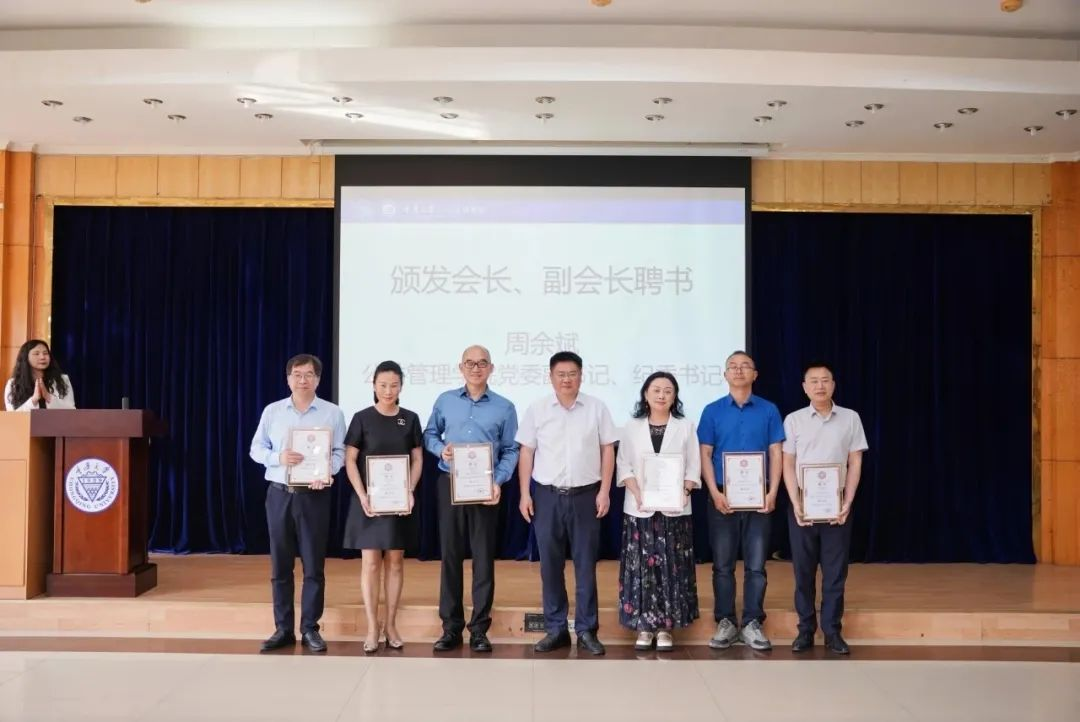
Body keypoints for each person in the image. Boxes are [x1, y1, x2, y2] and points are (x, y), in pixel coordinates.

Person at [517, 351, 617, 656]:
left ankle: (587, 630)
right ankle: (556, 629)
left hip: (586, 496)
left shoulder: (597, 408)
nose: (566, 379)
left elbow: (608, 450)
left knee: (585, 566)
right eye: (560, 374)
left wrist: (605, 491)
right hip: (547, 497)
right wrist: (524, 494)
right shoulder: (537, 409)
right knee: (550, 566)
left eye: (572, 374)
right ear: (550, 377)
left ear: (581, 376)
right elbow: (526, 452)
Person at [423, 345, 519, 653]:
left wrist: (498, 480)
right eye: (470, 363)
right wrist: (441, 450)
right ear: (460, 367)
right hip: (450, 483)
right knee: (450, 556)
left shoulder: (505, 407)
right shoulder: (445, 400)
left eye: (482, 363)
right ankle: (451, 628)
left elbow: (511, 449)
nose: (476, 368)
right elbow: (429, 434)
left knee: (483, 558)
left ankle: (479, 629)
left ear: (491, 368)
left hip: (484, 489)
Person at [249, 354, 346, 654]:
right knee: (280, 565)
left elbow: (340, 452)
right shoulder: (273, 411)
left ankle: (310, 628)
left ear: (318, 379)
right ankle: (283, 629)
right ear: (288, 378)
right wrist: (278, 457)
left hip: (314, 496)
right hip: (279, 494)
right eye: (297, 374)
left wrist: (326, 472)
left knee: (314, 565)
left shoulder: (332, 413)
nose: (303, 380)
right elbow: (255, 449)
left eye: (309, 374)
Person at [698, 351, 785, 651]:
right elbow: (705, 454)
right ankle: (725, 621)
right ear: (725, 375)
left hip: (759, 496)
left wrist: (773, 492)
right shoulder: (712, 410)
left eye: (744, 366)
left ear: (755, 374)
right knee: (722, 564)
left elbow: (776, 452)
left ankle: (752, 622)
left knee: (756, 565)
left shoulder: (769, 410)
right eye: (732, 367)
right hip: (723, 495)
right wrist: (714, 492)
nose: (738, 371)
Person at [782, 361, 868, 655]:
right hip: (803, 507)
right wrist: (796, 502)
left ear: (833, 385)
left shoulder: (850, 418)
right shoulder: (793, 420)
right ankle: (805, 630)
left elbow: (855, 461)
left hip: (837, 507)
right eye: (814, 381)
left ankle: (832, 631)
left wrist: (848, 501)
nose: (820, 385)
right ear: (804, 387)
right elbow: (788, 463)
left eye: (825, 380)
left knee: (835, 573)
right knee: (803, 572)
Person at [615, 371, 701, 652]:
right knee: (641, 568)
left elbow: (693, 466)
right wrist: (638, 492)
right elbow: (624, 464)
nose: (662, 395)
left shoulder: (685, 426)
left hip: (674, 510)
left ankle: (665, 628)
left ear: (674, 396)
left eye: (668, 390)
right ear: (645, 394)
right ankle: (643, 627)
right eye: (656, 390)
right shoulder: (631, 427)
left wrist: (684, 491)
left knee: (671, 568)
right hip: (639, 509)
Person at [342, 360, 423, 654]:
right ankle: (371, 627)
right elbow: (350, 460)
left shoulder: (410, 419)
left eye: (394, 385)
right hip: (369, 503)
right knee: (371, 563)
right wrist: (362, 495)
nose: (388, 390)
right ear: (374, 385)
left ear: (401, 387)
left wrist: (409, 491)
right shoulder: (362, 418)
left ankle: (390, 625)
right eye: (383, 385)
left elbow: (417, 459)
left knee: (396, 562)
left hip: (398, 501)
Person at [5, 339, 75, 411]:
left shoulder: (62, 380)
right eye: (36, 354)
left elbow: (71, 411)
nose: (42, 357)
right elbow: (12, 415)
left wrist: (48, 397)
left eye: (45, 353)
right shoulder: (13, 384)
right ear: (26, 357)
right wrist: (34, 400)